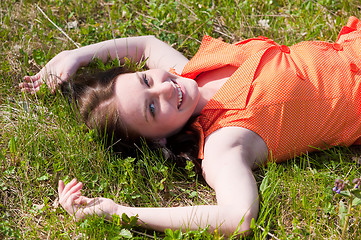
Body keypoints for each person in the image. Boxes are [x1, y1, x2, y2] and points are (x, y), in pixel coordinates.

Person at [20, 16, 361, 236]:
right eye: (152, 108)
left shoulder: (187, 73)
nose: (165, 87)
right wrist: (120, 212)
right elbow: (238, 218)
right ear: (159, 140)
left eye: (145, 79)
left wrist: (76, 55)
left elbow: (147, 43)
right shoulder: (223, 143)